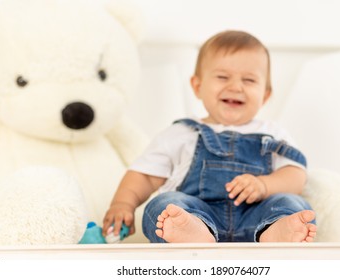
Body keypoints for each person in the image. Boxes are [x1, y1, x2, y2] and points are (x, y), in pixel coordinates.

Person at [103, 30, 317, 243]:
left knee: (290, 202)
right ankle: (191, 232)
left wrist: (264, 186)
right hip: (197, 214)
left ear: (266, 95)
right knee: (164, 204)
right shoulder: (182, 133)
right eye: (222, 77)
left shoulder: (273, 133)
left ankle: (275, 232)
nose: (235, 87)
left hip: (258, 218)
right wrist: (123, 204)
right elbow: (145, 176)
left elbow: (296, 176)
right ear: (198, 86)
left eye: (249, 80)